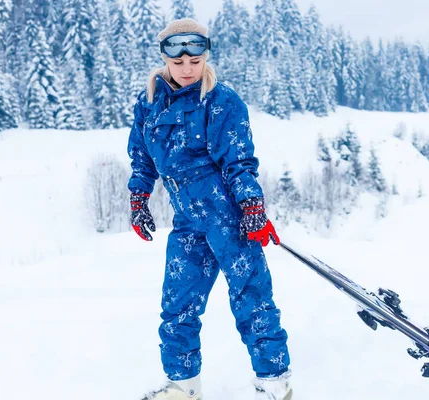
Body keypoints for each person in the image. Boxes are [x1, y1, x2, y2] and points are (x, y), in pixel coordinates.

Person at [126, 18, 292, 400]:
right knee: (177, 305)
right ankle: (182, 386)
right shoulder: (148, 102)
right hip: (187, 221)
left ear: (205, 56)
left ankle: (274, 383)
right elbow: (142, 158)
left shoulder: (221, 100)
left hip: (229, 218)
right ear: (164, 56)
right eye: (178, 60)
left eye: (195, 60)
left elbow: (239, 160)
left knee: (251, 300)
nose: (187, 69)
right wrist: (139, 197)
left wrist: (251, 204)